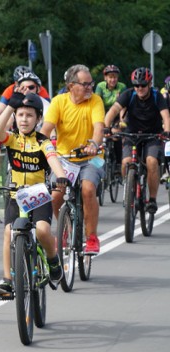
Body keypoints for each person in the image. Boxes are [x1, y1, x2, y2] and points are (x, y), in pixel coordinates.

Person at [0, 92, 69, 297]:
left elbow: (53, 160)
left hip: (38, 194)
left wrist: (60, 177)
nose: (24, 119)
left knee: (43, 230)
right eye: (20, 114)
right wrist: (9, 106)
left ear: (38, 119)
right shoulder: (12, 138)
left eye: (29, 115)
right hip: (16, 192)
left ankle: (53, 262)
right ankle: (8, 280)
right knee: (8, 232)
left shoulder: (43, 142)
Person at [40, 64, 105, 255]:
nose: (89, 88)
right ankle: (65, 227)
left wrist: (94, 143)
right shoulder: (59, 102)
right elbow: (46, 128)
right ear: (71, 86)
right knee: (55, 195)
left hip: (92, 157)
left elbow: (99, 127)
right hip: (65, 158)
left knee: (88, 189)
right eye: (84, 84)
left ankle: (92, 237)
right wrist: (39, 146)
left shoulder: (95, 101)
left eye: (90, 84)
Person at [104, 67, 170, 214]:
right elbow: (112, 111)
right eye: (136, 85)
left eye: (143, 85)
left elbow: (166, 116)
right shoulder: (129, 94)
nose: (139, 88)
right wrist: (106, 127)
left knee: (152, 161)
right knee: (126, 162)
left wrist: (167, 131)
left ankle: (152, 199)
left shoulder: (156, 96)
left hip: (152, 136)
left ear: (149, 84)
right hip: (131, 134)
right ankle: (129, 190)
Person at [0, 65, 51, 135]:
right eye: (23, 87)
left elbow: (49, 114)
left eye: (31, 87)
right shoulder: (10, 90)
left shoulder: (42, 91)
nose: (27, 90)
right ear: (16, 83)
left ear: (38, 88)